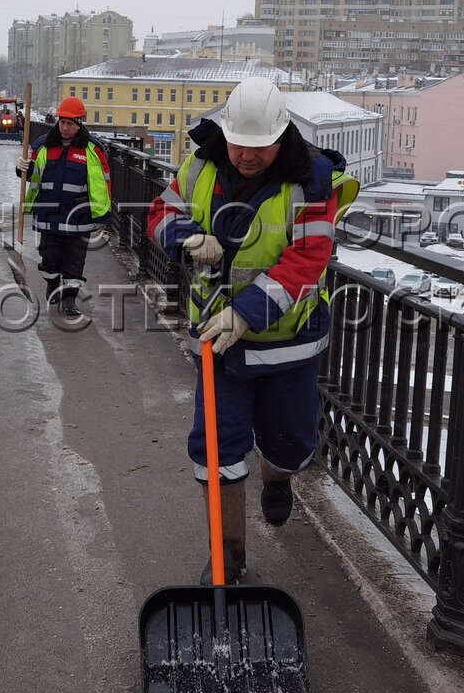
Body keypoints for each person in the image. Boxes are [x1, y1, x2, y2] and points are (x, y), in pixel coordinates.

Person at [147, 77, 357, 582]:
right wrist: (186, 237)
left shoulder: (311, 184)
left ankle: (277, 476)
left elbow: (307, 262)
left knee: (291, 443)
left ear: (281, 137)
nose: (246, 155)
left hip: (288, 348)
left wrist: (246, 313)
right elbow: (160, 213)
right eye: (239, 143)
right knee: (215, 449)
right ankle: (229, 554)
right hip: (218, 346)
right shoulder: (200, 164)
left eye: (259, 147)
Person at [18, 96, 112, 321]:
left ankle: (69, 298)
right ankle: (52, 281)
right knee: (49, 256)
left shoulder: (92, 150)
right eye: (62, 122)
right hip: (48, 213)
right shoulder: (43, 145)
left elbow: (103, 182)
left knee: (74, 259)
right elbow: (31, 174)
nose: (65, 127)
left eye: (70, 123)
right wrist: (22, 168)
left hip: (78, 215)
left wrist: (102, 212)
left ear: (80, 124)